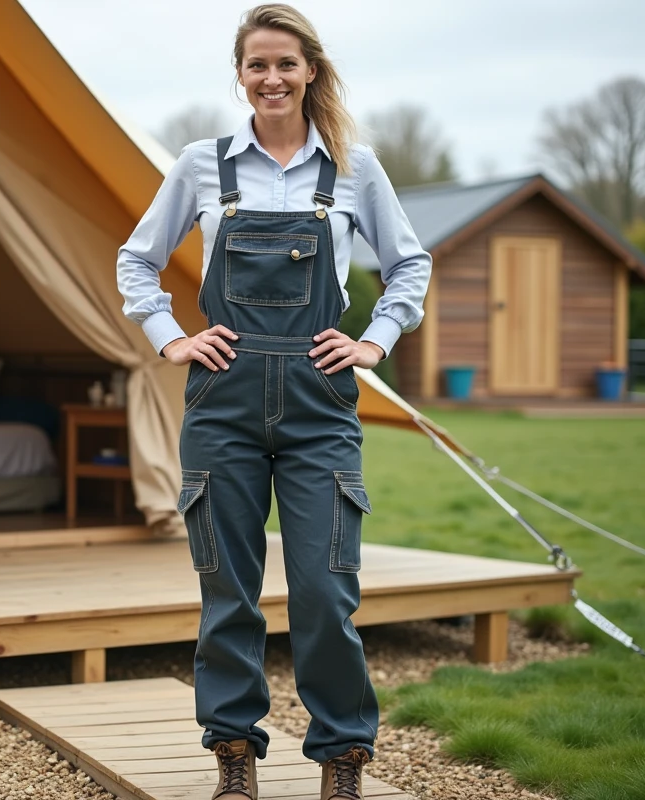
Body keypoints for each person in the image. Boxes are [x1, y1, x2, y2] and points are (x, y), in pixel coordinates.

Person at [115, 4, 431, 799]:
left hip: (320, 407)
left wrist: (373, 341)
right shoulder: (202, 165)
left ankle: (342, 760)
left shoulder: (354, 167)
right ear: (240, 74)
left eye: (285, 63)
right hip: (221, 404)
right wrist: (172, 338)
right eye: (257, 64)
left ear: (310, 70)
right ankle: (234, 756)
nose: (271, 78)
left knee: (326, 590)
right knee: (229, 592)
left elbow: (409, 264)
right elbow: (136, 260)